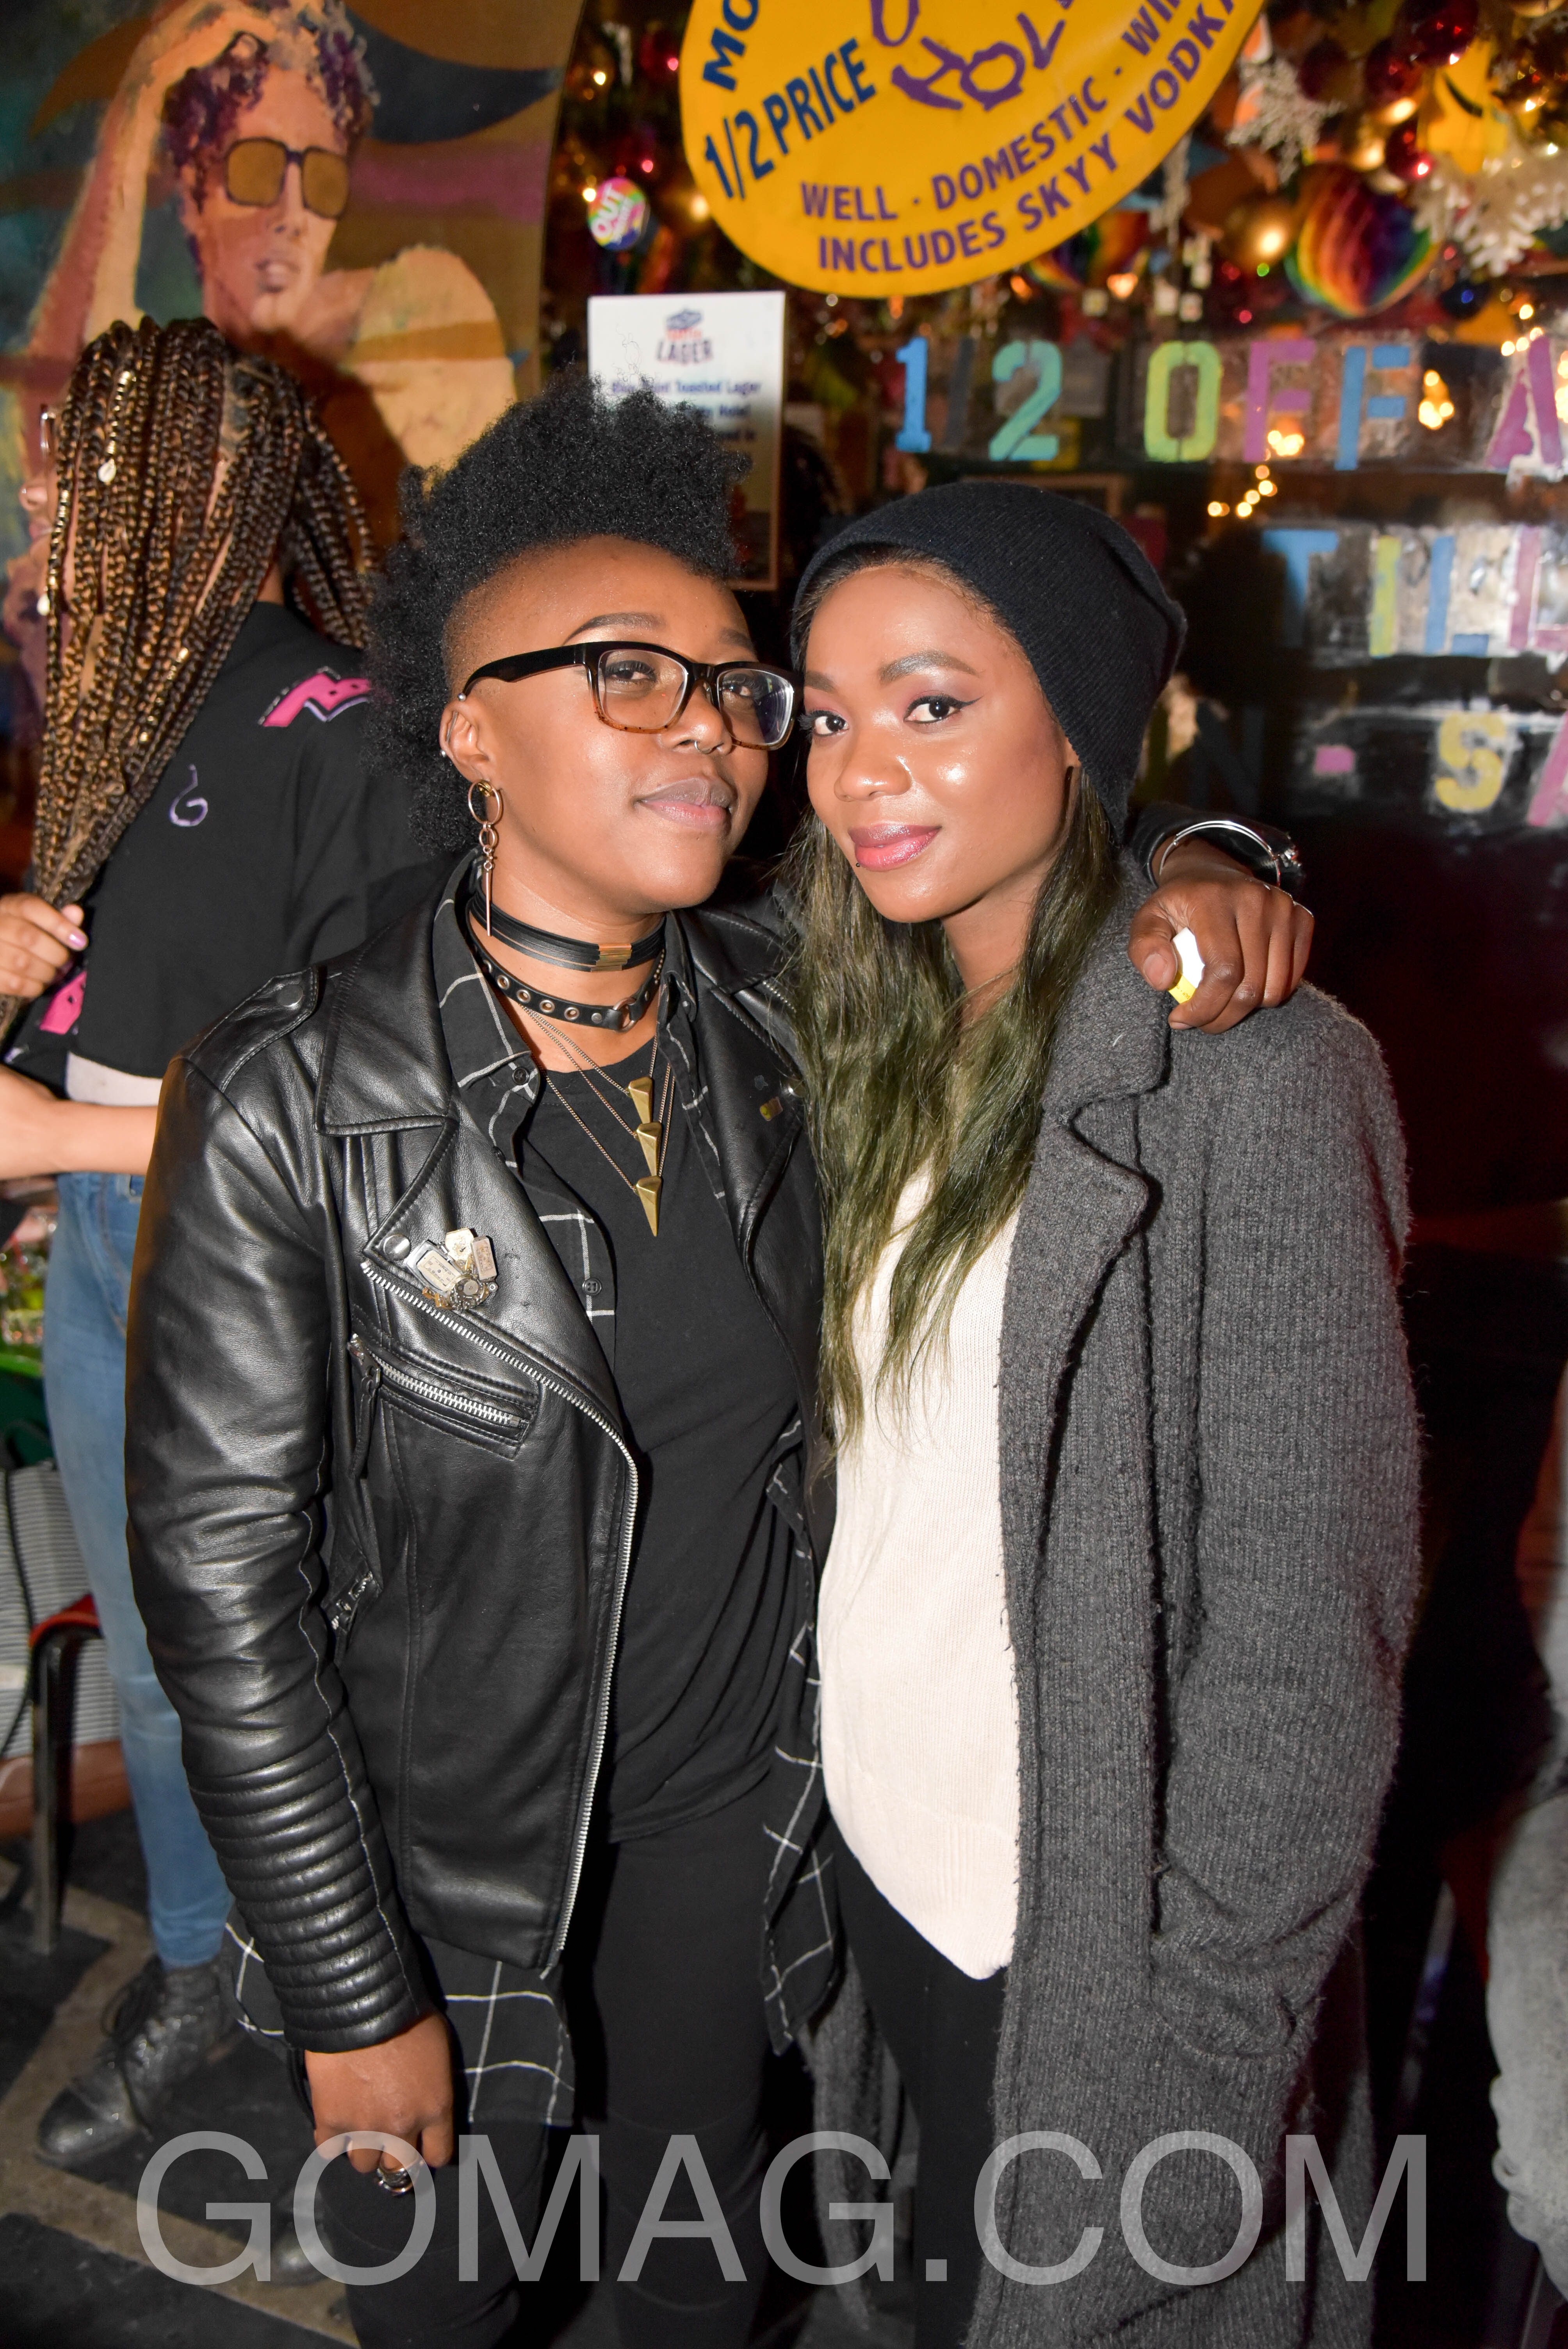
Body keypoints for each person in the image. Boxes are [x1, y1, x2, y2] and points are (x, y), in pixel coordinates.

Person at [122, 372, 1309, 2348]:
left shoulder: (789, 1011)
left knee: (696, 2287)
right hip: (436, 1892)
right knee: (443, 2309)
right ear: (468, 728)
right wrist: (347, 1981)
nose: (710, 727)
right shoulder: (291, 1098)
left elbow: (1018, 857)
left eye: (740, 691)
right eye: (625, 673)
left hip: (726, 1843)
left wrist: (1211, 847)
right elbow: (221, 1593)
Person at [790, 487, 1423, 2346]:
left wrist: (1204, 2059)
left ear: (1070, 720)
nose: (858, 771)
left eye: (929, 704)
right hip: (880, 1866)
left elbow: (1310, 1631)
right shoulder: (861, 1025)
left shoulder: (1251, 1076)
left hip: (1087, 1942)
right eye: (825, 714)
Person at [0, 313, 444, 2171]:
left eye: (86, 490)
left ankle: (348, 1989)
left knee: (283, 1655)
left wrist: (65, 1138)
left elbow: (384, 1102)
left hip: (265, 1276)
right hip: (112, 1241)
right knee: (164, 1668)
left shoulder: (342, 727)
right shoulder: (123, 716)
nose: (54, 531)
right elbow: (125, 1003)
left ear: (201, 497)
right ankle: (204, 1965)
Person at [21, 0, 515, 540]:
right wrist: (138, 108)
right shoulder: (165, 388)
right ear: (193, 191)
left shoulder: (414, 318)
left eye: (322, 180)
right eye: (257, 170)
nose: (292, 216)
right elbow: (63, 410)